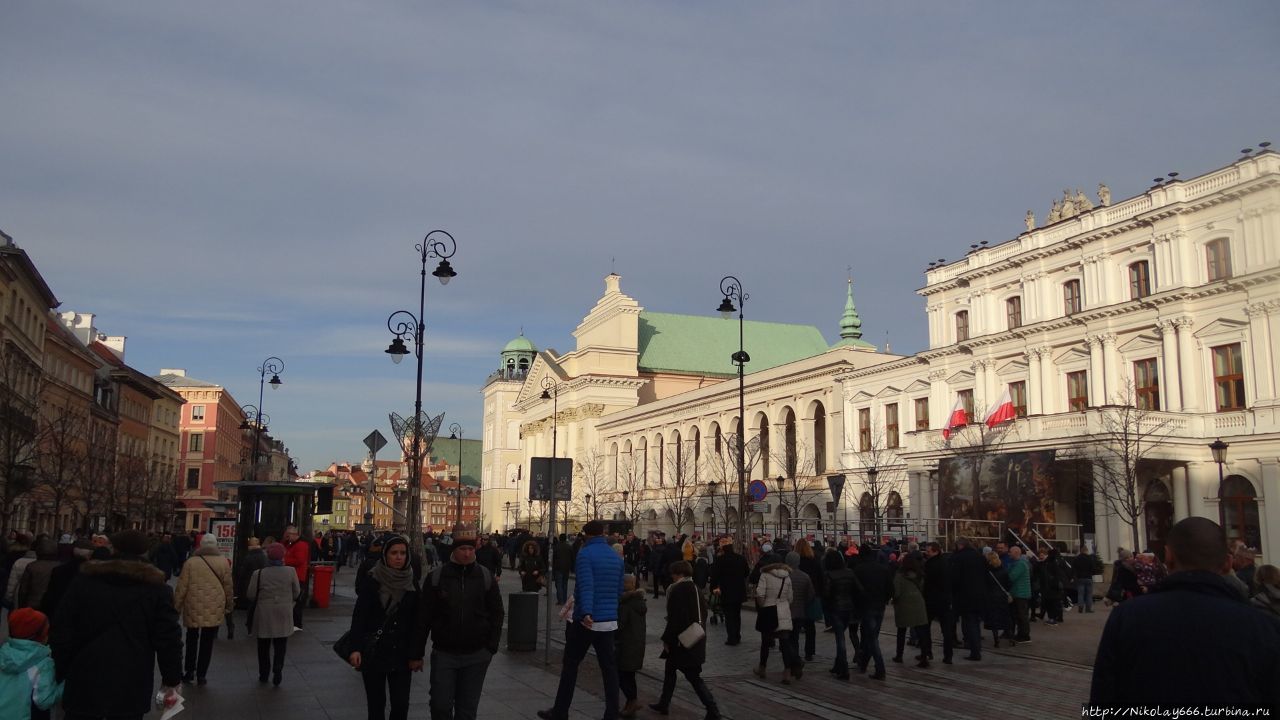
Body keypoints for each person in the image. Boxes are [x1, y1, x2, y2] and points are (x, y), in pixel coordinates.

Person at [1090, 517, 1280, 708]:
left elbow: (1102, 701)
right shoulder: (1264, 628)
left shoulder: (1126, 617)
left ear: (1168, 557)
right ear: (1228, 563)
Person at [51, 529, 183, 720]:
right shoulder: (158, 590)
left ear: (113, 549)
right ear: (145, 551)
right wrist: (172, 679)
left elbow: (62, 628)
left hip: (84, 674)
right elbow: (168, 639)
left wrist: (62, 668)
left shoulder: (85, 582)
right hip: (131, 679)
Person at [413, 524, 503, 720]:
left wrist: (491, 647)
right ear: (454, 549)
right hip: (445, 651)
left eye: (471, 549)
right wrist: (417, 653)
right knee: (440, 704)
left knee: (467, 709)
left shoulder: (485, 576)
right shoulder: (437, 577)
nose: (467, 553)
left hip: (477, 653)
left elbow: (497, 613)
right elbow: (424, 617)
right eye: (463, 549)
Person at [538, 520, 623, 720]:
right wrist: (611, 612)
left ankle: (560, 711)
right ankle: (612, 713)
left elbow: (586, 586)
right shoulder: (616, 557)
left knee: (571, 665)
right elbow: (619, 591)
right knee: (609, 669)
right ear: (603, 533)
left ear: (586, 535)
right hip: (609, 621)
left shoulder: (585, 554)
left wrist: (586, 613)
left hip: (587, 620)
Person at [349, 535, 419, 720]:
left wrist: (416, 654)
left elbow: (417, 622)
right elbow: (360, 616)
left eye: (403, 553)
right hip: (374, 651)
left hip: (401, 652)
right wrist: (355, 648)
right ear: (385, 555)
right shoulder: (372, 580)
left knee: (401, 705)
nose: (399, 557)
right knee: (376, 705)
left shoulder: (412, 582)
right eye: (394, 553)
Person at [649, 561, 720, 719]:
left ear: (678, 573)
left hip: (683, 641)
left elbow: (676, 618)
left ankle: (712, 709)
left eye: (673, 573)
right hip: (694, 637)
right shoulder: (696, 588)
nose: (671, 576)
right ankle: (664, 703)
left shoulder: (678, 589)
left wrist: (667, 639)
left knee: (693, 677)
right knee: (670, 671)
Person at [173, 533, 233, 685]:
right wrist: (229, 605)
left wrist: (176, 607)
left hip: (193, 604)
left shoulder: (191, 562)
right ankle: (202, 674)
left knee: (192, 638)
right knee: (207, 641)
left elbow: (181, 587)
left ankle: (189, 671)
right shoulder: (223, 562)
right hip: (214, 605)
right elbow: (228, 586)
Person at [247, 542, 300, 686]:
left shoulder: (259, 574)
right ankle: (278, 669)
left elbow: (251, 594)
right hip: (283, 612)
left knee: (263, 645)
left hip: (264, 613)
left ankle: (264, 673)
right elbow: (297, 592)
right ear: (283, 556)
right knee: (280, 644)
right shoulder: (291, 571)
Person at [0, 608, 63, 720]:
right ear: (41, 636)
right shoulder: (43, 664)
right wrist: (65, 686)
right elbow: (44, 700)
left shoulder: (2, 655)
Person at [753, 552, 798, 684]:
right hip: (783, 611)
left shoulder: (765, 575)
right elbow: (790, 598)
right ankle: (787, 673)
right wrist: (783, 604)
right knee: (784, 643)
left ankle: (762, 668)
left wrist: (763, 608)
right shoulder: (787, 577)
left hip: (769, 610)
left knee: (766, 643)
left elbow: (760, 594)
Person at [853, 545, 893, 680]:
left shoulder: (858, 570)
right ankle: (863, 663)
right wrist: (884, 600)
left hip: (865, 607)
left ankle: (880, 668)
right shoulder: (883, 569)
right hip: (879, 606)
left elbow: (855, 591)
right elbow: (890, 589)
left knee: (871, 638)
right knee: (871, 635)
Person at [822, 548, 859, 679]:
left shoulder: (829, 575)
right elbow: (858, 590)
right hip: (849, 608)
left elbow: (826, 593)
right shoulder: (850, 573)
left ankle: (843, 669)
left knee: (840, 639)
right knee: (841, 636)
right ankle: (838, 665)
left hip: (836, 608)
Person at [948, 537, 987, 661]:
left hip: (963, 596)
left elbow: (954, 579)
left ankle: (974, 650)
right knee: (974, 622)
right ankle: (975, 646)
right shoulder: (979, 557)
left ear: (960, 545)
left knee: (969, 622)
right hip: (979, 595)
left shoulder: (957, 558)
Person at [616, 574, 647, 718]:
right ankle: (630, 703)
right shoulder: (639, 602)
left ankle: (632, 700)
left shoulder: (625, 604)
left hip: (625, 644)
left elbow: (620, 625)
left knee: (621, 675)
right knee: (629, 675)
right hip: (636, 644)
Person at [892, 555, 930, 668]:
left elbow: (896, 592)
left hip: (904, 605)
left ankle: (899, 655)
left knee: (901, 631)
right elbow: (923, 589)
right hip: (919, 604)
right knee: (921, 632)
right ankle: (924, 657)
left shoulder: (899, 576)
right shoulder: (919, 575)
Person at [709, 540, 749, 646]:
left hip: (726, 591)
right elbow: (746, 572)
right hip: (739, 590)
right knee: (737, 614)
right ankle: (737, 635)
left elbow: (714, 576)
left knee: (729, 615)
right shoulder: (740, 558)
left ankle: (731, 638)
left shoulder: (720, 560)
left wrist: (713, 588)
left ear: (723, 549)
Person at [783, 551, 813, 680]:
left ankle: (794, 662)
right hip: (800, 613)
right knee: (794, 639)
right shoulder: (805, 576)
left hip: (785, 612)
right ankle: (794, 665)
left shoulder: (783, 576)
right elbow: (811, 595)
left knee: (785, 641)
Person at [922, 542, 954, 664]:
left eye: (928, 551)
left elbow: (927, 582)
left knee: (925, 627)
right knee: (946, 631)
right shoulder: (946, 562)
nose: (926, 552)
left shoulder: (930, 564)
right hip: (945, 600)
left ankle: (926, 652)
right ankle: (948, 655)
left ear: (935, 551)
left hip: (931, 600)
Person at [793, 538, 823, 661]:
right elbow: (821, 578)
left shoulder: (795, 562)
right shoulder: (815, 561)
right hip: (811, 596)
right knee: (810, 625)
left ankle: (794, 651)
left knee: (795, 625)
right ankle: (809, 652)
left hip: (796, 596)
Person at [16, 537, 61, 612]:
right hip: (52, 605)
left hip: (32, 604)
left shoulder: (32, 566)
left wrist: (21, 606)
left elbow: (23, 590)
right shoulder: (60, 567)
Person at [983, 550, 1014, 648]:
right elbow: (1009, 585)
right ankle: (1011, 639)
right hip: (1002, 598)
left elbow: (985, 585)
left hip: (991, 598)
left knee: (994, 620)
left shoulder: (987, 572)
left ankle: (996, 640)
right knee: (1006, 618)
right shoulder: (1004, 570)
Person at [282, 524, 311, 629]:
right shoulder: (291, 544)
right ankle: (293, 622)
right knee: (293, 600)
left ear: (293, 534)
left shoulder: (301, 545)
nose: (286, 537)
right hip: (293, 575)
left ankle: (297, 623)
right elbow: (282, 550)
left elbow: (299, 560)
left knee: (297, 600)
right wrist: (284, 540)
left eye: (288, 535)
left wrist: (284, 561)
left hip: (298, 576)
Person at [236, 537, 268, 627]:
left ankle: (250, 624)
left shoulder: (248, 557)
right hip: (263, 583)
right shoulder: (264, 556)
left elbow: (243, 573)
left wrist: (238, 587)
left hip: (250, 583)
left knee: (251, 605)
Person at [1006, 545, 1031, 642]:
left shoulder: (1021, 564)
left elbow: (1012, 576)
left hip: (1021, 593)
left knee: (1022, 616)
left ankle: (1024, 635)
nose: (1009, 554)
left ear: (1016, 553)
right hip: (1018, 592)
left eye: (1010, 552)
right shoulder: (1018, 563)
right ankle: (1021, 634)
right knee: (1019, 616)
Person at [1069, 545, 1097, 613]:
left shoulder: (1077, 558)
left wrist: (1072, 577)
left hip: (1080, 578)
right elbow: (1093, 568)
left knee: (1080, 594)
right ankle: (1088, 609)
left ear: (1081, 551)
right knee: (1089, 594)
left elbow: (1073, 569)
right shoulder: (1089, 558)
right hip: (1088, 578)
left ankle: (1080, 607)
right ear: (1086, 551)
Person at [552, 534, 573, 605]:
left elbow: (553, 558)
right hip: (566, 567)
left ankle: (560, 600)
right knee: (565, 584)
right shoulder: (569, 547)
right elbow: (572, 557)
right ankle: (564, 599)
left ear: (560, 539)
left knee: (559, 584)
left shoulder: (556, 547)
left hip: (558, 567)